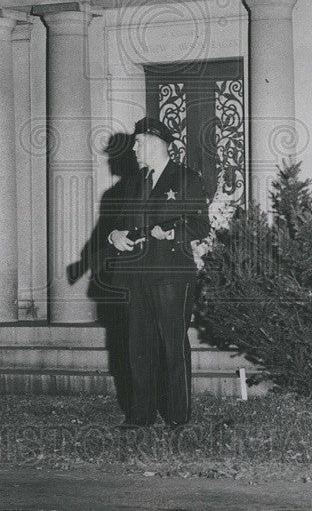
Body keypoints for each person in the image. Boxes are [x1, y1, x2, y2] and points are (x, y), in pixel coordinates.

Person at [106, 117, 210, 428]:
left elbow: (200, 224)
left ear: (155, 142)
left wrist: (172, 233)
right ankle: (142, 415)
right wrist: (115, 235)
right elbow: (123, 223)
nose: (134, 149)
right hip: (137, 274)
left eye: (138, 143)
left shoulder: (187, 178)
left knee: (172, 345)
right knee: (139, 346)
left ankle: (178, 416)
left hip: (172, 274)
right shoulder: (134, 183)